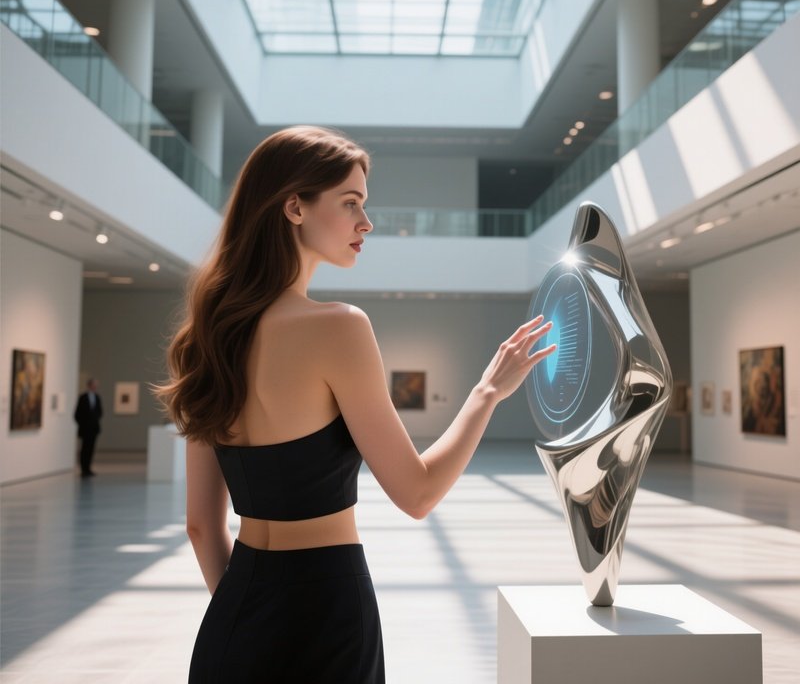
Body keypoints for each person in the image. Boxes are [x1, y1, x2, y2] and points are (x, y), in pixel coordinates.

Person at [157, 126, 556, 683]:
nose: (366, 223)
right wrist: (486, 394)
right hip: (327, 607)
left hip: (236, 612)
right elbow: (416, 494)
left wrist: (245, 612)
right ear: (294, 207)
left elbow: (201, 524)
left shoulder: (209, 337)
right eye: (351, 204)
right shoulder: (338, 328)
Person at [74, 377, 102, 477]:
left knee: (91, 449)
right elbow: (77, 414)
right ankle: (83, 469)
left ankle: (88, 468)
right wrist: (84, 424)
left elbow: (100, 412)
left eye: (96, 385)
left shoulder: (97, 397)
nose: (95, 386)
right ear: (89, 385)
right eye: (94, 385)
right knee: (84, 449)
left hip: (94, 429)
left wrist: (94, 421)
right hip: (85, 429)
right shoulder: (83, 397)